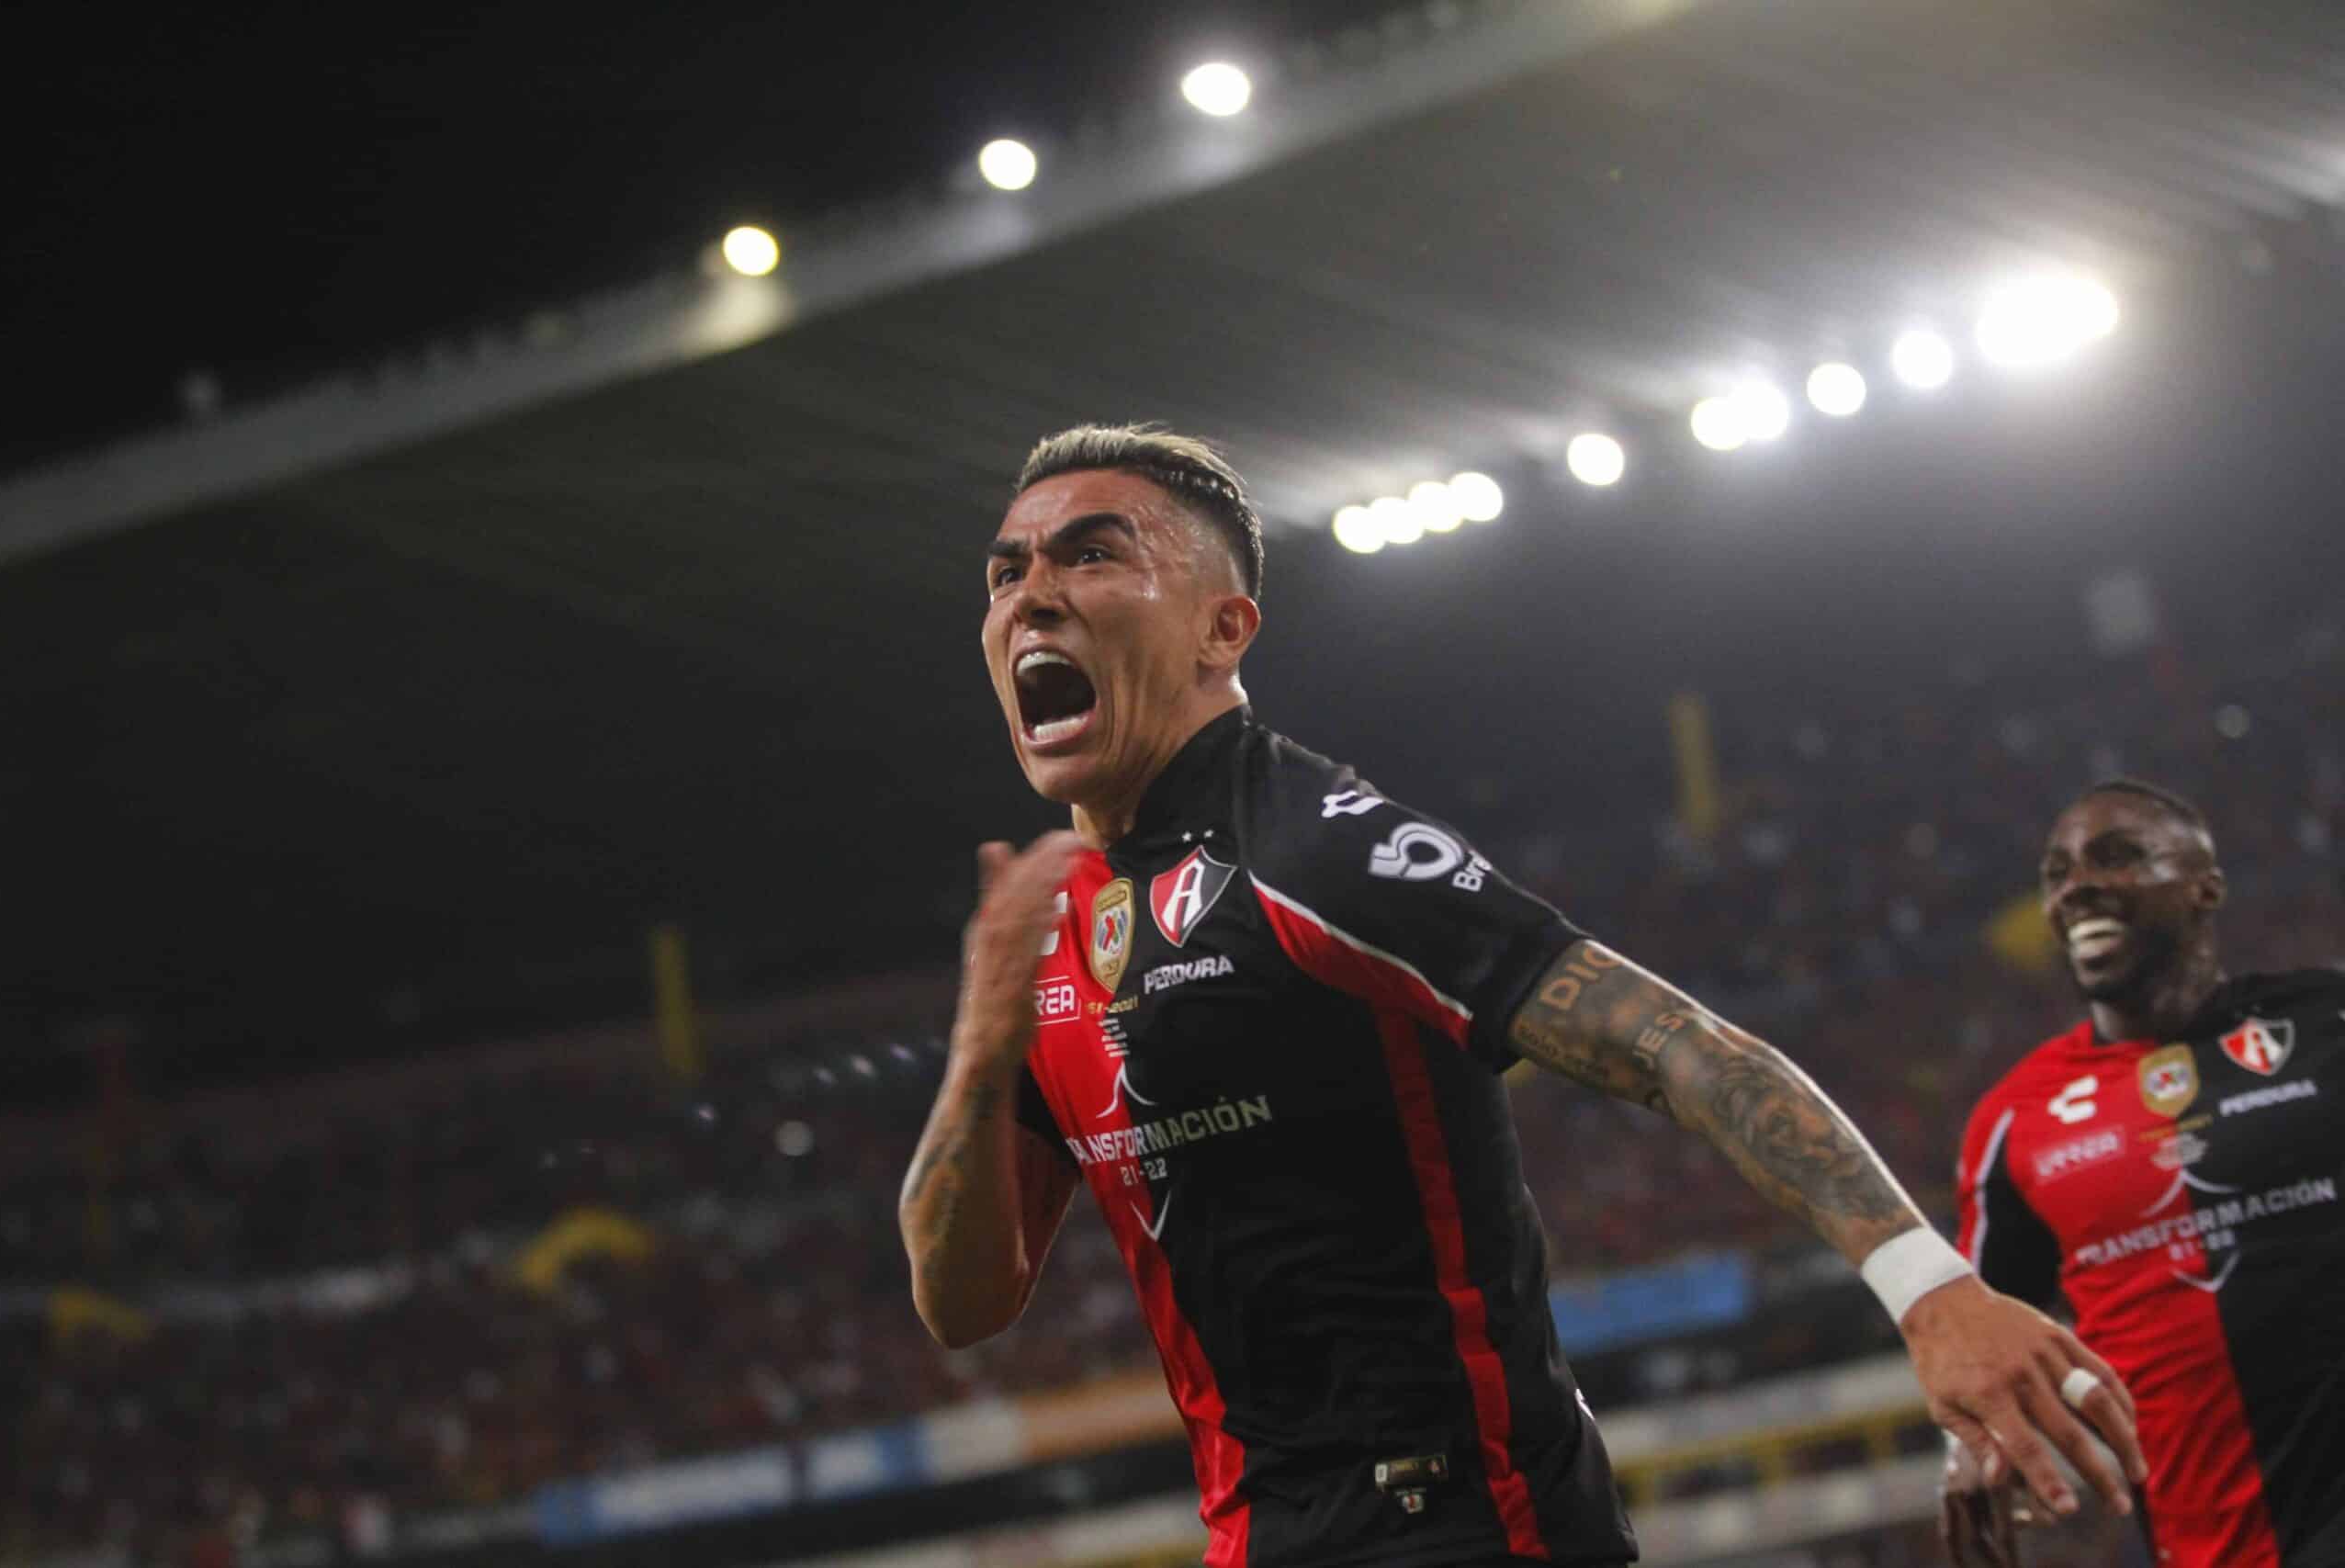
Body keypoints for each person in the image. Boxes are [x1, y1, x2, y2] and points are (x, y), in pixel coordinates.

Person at [899, 424, 2145, 1568]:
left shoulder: (1318, 848)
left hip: (1468, 1523)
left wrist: (1932, 1289)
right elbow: (964, 1300)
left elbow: (1674, 1042)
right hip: (1258, 1541)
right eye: (1005, 571)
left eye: (1090, 553)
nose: (1031, 594)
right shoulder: (1040, 933)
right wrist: (978, 1044)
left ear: (1224, 629)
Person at [1944, 782, 2345, 1567]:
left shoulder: (2327, 1023)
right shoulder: (2011, 1120)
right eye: (2057, 872)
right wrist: (1971, 1447)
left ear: (2207, 885)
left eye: (2118, 855)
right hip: (2208, 1548)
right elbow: (1984, 1335)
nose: (2076, 885)